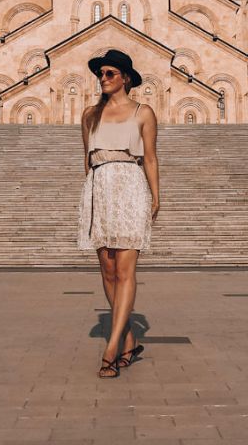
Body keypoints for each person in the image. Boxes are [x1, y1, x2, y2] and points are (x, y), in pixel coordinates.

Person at [77, 49, 160, 379]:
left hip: (130, 185)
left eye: (111, 73)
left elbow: (151, 158)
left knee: (125, 269)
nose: (104, 78)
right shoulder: (89, 115)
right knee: (108, 270)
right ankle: (128, 339)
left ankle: (111, 348)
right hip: (100, 188)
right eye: (101, 73)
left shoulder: (143, 113)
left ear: (126, 78)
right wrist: (91, 195)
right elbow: (86, 158)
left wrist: (156, 197)